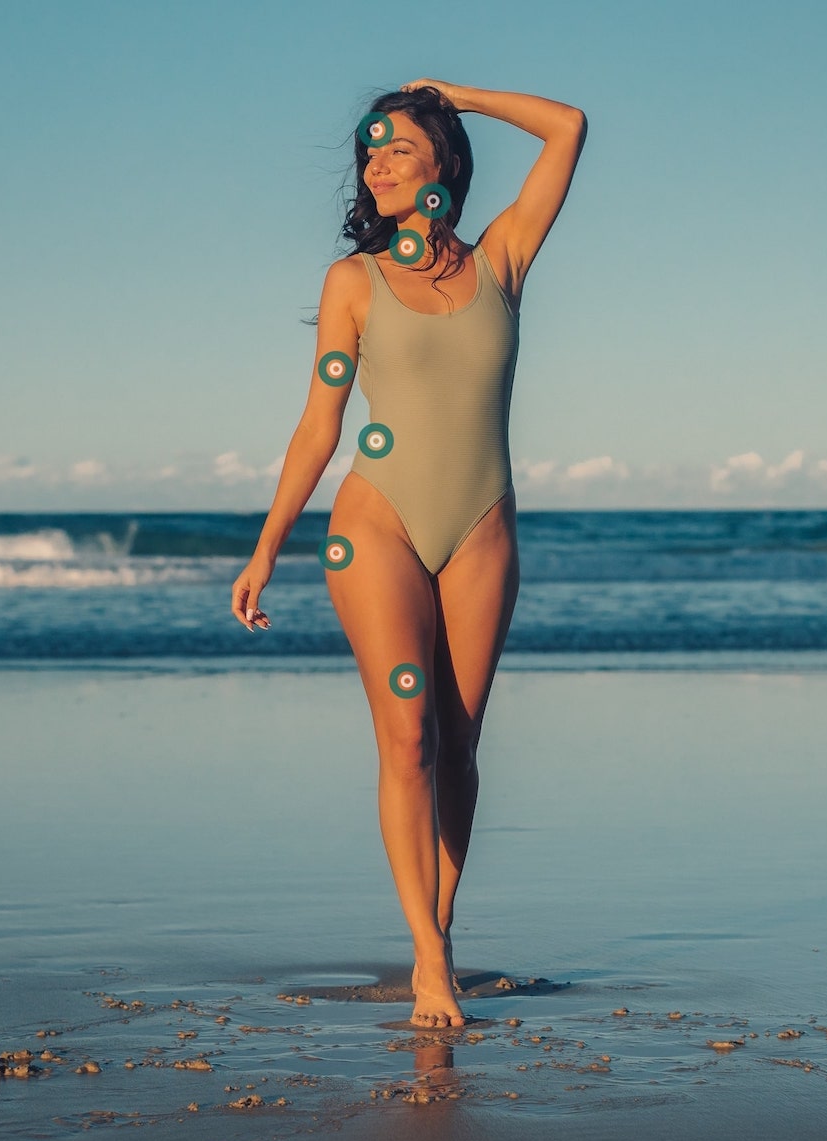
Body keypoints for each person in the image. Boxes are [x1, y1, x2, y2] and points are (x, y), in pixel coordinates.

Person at [231, 79, 586, 1029]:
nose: (377, 162)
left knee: (462, 749)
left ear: (444, 161)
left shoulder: (504, 259)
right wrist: (266, 548)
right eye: (369, 150)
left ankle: (441, 929)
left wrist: (452, 93)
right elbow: (320, 424)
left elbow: (568, 127)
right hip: (374, 524)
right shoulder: (353, 283)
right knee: (409, 736)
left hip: (482, 529)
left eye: (396, 145)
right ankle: (428, 961)